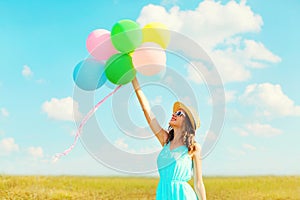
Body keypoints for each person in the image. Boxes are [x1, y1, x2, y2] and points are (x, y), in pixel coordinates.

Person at [132, 78, 206, 200]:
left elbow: (198, 183)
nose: (174, 114)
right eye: (174, 112)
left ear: (187, 122)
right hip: (163, 194)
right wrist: (133, 80)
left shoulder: (193, 147)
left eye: (179, 113)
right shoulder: (165, 140)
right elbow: (147, 111)